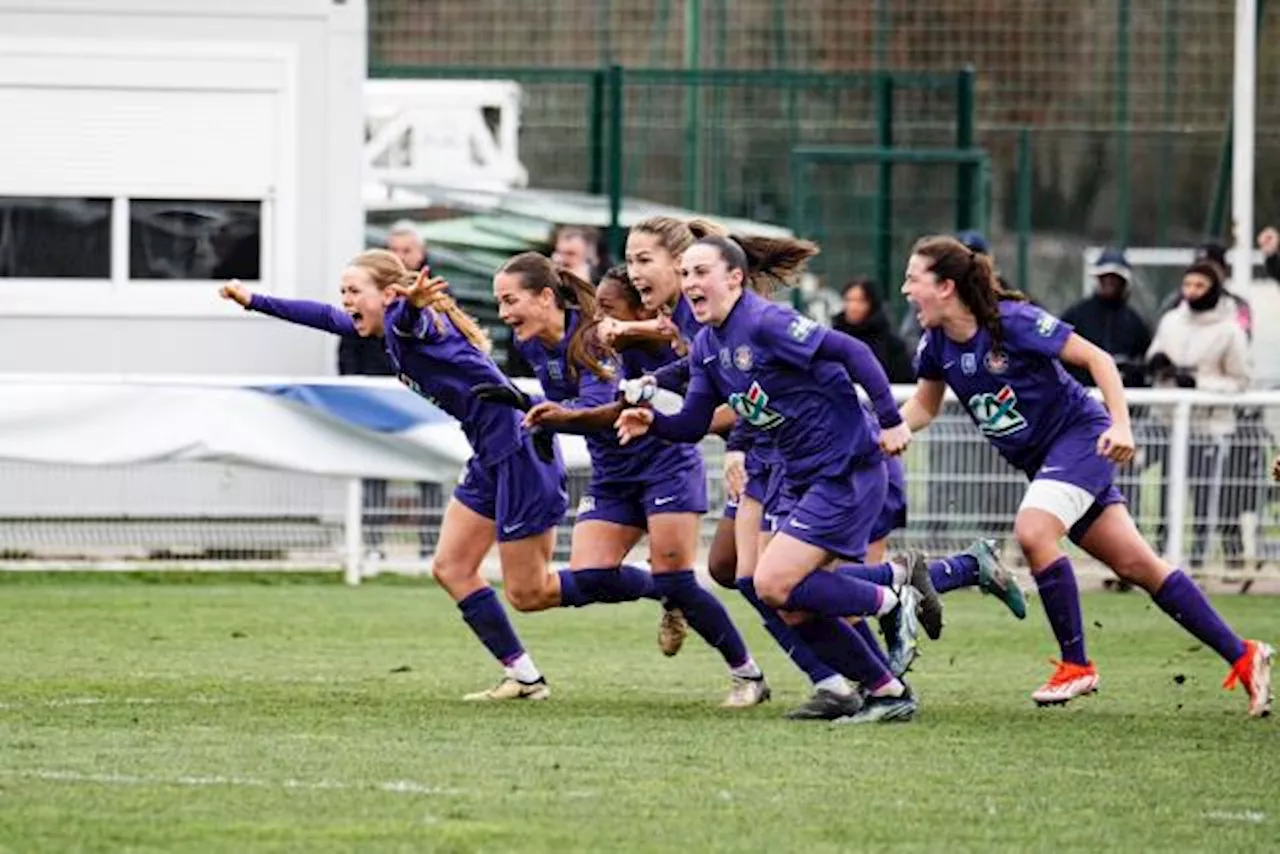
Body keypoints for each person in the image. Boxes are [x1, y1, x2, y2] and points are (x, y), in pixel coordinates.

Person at [899, 235, 1272, 716]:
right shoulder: (936, 345)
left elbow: (1097, 359)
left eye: (913, 278)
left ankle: (1077, 666)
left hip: (1081, 438)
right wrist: (884, 429)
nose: (907, 289)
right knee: (1140, 567)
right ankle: (1244, 655)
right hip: (1048, 461)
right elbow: (924, 406)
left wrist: (1120, 423)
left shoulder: (1011, 323)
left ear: (946, 286)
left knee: (1032, 531)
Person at [219, 250, 569, 702]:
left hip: (519, 450)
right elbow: (324, 316)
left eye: (354, 291)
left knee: (531, 592)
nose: (345, 300)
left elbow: (409, 320)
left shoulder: (408, 323)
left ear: (387, 294)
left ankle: (659, 582)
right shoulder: (388, 328)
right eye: (342, 291)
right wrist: (254, 300)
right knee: (451, 567)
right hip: (490, 455)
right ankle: (525, 678)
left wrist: (413, 304)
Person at [616, 233, 935, 724]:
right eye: (685, 274)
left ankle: (894, 598)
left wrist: (892, 419)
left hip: (847, 470)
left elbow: (853, 352)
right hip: (805, 478)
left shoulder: (767, 322)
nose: (690, 283)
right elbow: (694, 424)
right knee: (787, 601)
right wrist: (651, 422)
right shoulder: (707, 345)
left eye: (701, 272)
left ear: (735, 278)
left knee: (770, 582)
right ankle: (886, 689)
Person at [478, 255, 769, 707]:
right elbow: (566, 404)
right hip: (613, 473)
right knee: (593, 575)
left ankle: (747, 675)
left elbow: (603, 411)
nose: (503, 314)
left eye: (509, 300)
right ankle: (667, 594)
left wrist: (549, 419)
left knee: (677, 576)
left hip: (664, 464)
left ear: (545, 298)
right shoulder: (535, 344)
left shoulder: (593, 338)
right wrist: (530, 405)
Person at [1146, 262, 1252, 571]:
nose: (1191, 291)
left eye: (1199, 286)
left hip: (1208, 427)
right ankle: (1160, 559)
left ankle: (1199, 562)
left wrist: (1199, 384)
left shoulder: (1231, 330)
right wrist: (1158, 363)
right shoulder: (1171, 321)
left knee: (1204, 498)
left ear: (1213, 290)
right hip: (1167, 423)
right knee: (1165, 494)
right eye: (1187, 284)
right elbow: (1156, 352)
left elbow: (1241, 381)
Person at [1060, 249, 1151, 388]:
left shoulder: (1135, 323)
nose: (1109, 282)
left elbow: (1143, 364)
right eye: (1105, 277)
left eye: (1115, 278)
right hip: (1081, 396)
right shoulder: (1075, 315)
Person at [831, 278, 914, 383]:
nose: (853, 307)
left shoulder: (891, 345)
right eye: (849, 300)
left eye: (860, 301)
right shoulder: (833, 339)